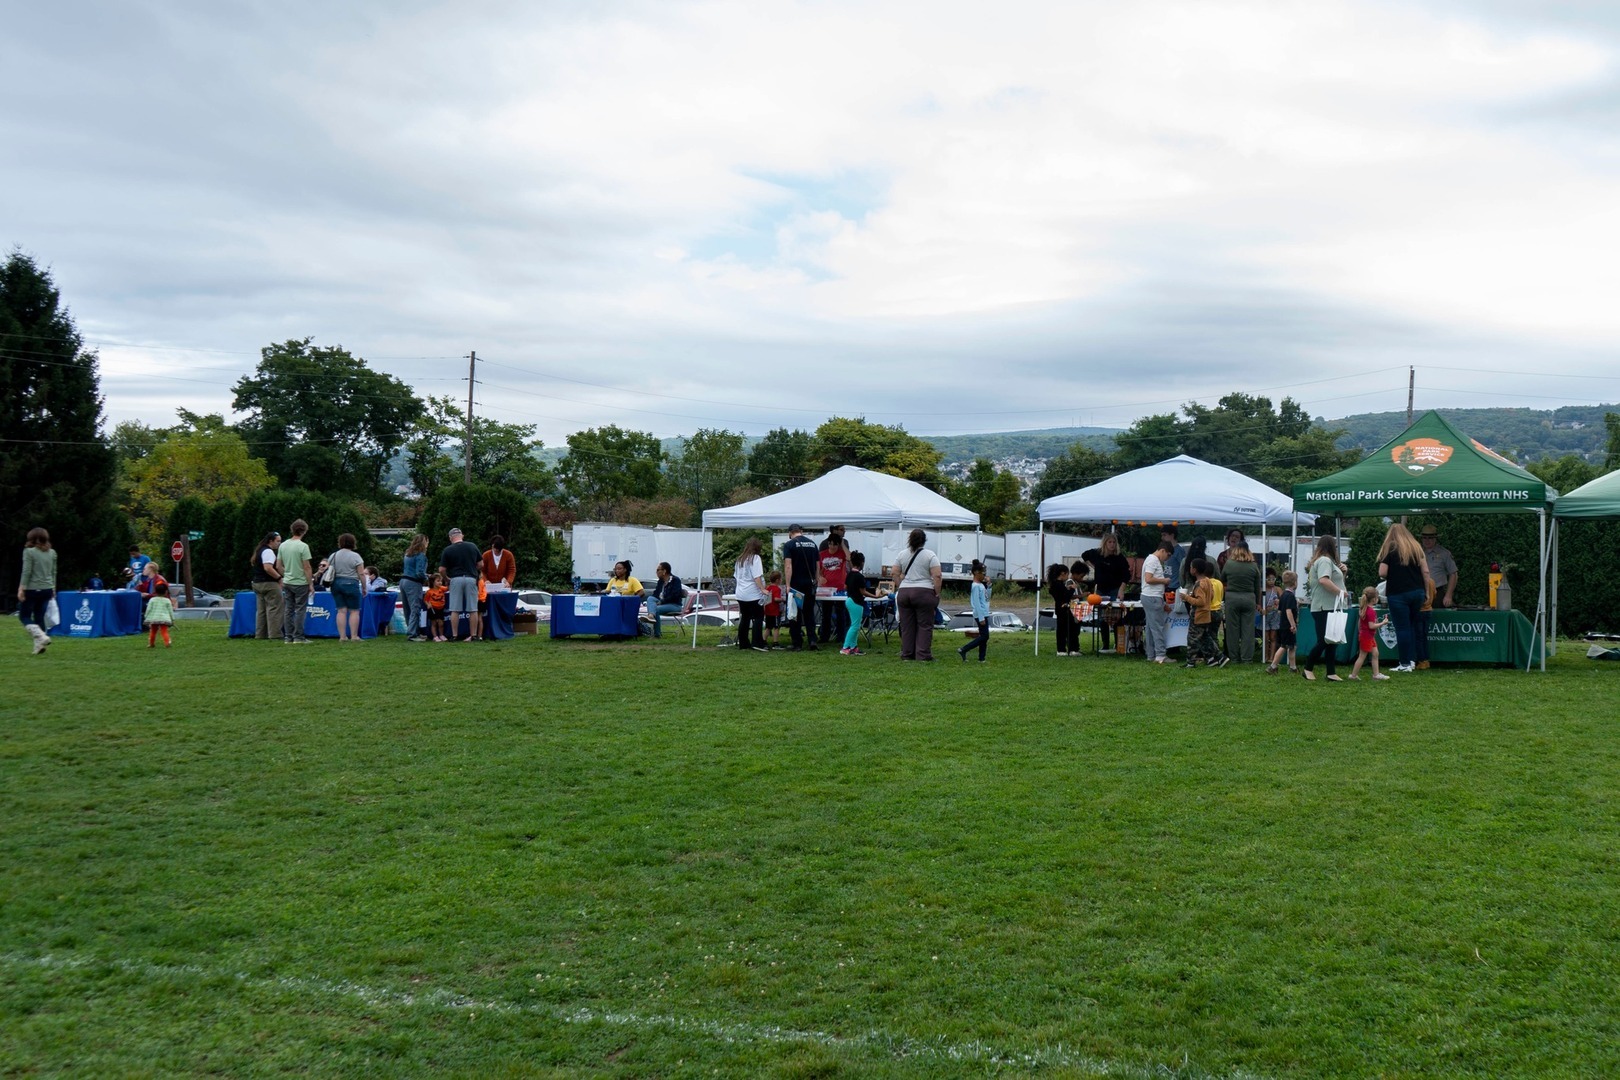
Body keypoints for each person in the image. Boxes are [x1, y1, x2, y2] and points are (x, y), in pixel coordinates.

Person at [1379, 523, 1431, 674]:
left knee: (1402, 628)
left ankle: (1405, 663)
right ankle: (1413, 660)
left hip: (1398, 593)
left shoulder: (1391, 550)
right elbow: (1426, 572)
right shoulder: (1417, 549)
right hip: (1417, 592)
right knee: (1413, 625)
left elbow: (1382, 572)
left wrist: (1395, 573)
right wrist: (1426, 592)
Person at [1302, 534, 1348, 682]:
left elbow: (1335, 581)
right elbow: (1324, 580)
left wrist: (1344, 572)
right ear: (1331, 547)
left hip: (1329, 607)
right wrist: (1340, 592)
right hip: (1323, 607)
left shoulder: (1328, 562)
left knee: (1332, 641)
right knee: (1324, 641)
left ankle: (1331, 672)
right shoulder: (1325, 561)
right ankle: (1307, 669)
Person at [891, 528, 942, 661]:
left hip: (904, 592)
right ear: (924, 540)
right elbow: (937, 576)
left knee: (907, 625)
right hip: (924, 592)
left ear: (910, 540)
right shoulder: (930, 555)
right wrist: (937, 592)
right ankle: (923, 654)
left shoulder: (902, 554)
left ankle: (907, 654)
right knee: (924, 625)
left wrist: (900, 585)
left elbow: (894, 572)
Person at [1082, 533, 1131, 651]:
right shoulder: (1097, 554)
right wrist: (1094, 566)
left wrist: (1121, 589)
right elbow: (1084, 555)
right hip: (1100, 589)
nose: (1112, 544)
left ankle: (1119, 644)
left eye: (1114, 542)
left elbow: (1126, 575)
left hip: (1115, 589)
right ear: (1105, 543)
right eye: (1109, 542)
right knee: (1102, 617)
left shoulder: (1119, 558)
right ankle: (1105, 644)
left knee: (1117, 617)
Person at [1218, 542, 1263, 663]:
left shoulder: (1229, 564)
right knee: (1248, 630)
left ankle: (1233, 657)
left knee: (1232, 630)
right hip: (1249, 598)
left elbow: (1222, 580)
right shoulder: (1253, 566)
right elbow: (1257, 587)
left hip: (1232, 598)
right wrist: (1258, 603)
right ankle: (1246, 658)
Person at [1179, 558, 1226, 667]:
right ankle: (1217, 657)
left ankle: (1190, 662)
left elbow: (1200, 601)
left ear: (1194, 570)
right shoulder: (1208, 582)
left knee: (1192, 638)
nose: (1190, 569)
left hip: (1198, 614)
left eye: (1191, 567)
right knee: (1205, 637)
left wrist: (1187, 597)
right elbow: (1211, 596)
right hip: (1206, 614)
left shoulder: (1199, 584)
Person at [439, 527, 484, 642]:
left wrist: (447, 579)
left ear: (450, 538)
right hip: (470, 578)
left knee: (455, 609)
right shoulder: (472, 546)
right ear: (462, 536)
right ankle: (473, 635)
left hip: (456, 578)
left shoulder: (447, 550)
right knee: (473, 609)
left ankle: (454, 635)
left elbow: (441, 570)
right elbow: (481, 564)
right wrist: (474, 570)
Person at [17, 527, 57, 656]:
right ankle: (39, 646)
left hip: (32, 588)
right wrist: (53, 588)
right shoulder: (52, 553)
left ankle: (40, 635)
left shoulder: (29, 552)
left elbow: (27, 571)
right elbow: (53, 572)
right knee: (39, 616)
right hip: (47, 589)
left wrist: (21, 588)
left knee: (24, 616)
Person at [321, 533, 366, 642]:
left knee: (341, 611)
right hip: (351, 583)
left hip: (336, 583)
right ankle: (354, 636)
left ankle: (342, 637)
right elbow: (361, 573)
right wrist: (364, 587)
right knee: (354, 611)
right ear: (353, 543)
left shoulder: (333, 555)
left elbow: (330, 569)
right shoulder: (355, 556)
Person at [781, 525, 820, 651]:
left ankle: (797, 642)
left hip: (795, 585)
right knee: (809, 614)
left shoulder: (789, 545)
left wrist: (787, 585)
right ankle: (812, 640)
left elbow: (788, 566)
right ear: (801, 532)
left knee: (794, 614)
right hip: (809, 584)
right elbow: (818, 566)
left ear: (790, 533)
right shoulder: (813, 544)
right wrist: (816, 580)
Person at [277, 519, 314, 644]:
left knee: (288, 609)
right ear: (304, 531)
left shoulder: (283, 545)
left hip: (287, 581)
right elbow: (307, 567)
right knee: (300, 610)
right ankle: (298, 637)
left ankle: (288, 636)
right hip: (300, 582)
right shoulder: (303, 546)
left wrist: (286, 575)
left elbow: (278, 565)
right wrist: (310, 583)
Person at [732, 537, 769, 652]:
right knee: (758, 617)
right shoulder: (755, 558)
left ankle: (743, 643)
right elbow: (756, 576)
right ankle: (757, 642)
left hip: (741, 593)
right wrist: (762, 589)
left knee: (745, 617)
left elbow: (736, 576)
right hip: (753, 593)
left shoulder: (740, 559)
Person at [1141, 538, 1175, 664]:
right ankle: (1160, 655)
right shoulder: (1152, 561)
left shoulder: (1151, 560)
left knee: (1150, 627)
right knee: (1157, 627)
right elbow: (1148, 579)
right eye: (1168, 555)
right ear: (1162, 550)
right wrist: (1164, 581)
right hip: (1152, 597)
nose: (1167, 558)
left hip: (1150, 596)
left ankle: (1151, 655)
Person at [1347, 586, 1391, 681]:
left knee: (1375, 653)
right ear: (1374, 599)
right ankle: (1353, 676)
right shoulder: (1371, 611)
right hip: (1367, 636)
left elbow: (1360, 623)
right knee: (1362, 656)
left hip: (1367, 636)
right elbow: (1371, 626)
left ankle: (1376, 674)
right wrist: (1383, 623)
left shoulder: (1363, 608)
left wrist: (1360, 632)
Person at [816, 525, 850, 645]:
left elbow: (849, 557)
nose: (832, 547)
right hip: (826, 588)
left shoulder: (841, 554)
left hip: (839, 587)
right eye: (830, 544)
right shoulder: (822, 554)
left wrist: (843, 544)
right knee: (826, 613)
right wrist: (819, 578)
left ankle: (841, 636)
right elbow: (818, 570)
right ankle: (824, 636)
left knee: (841, 613)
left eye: (835, 544)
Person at [249, 531, 284, 640]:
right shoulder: (268, 552)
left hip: (257, 583)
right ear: (271, 541)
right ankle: (275, 634)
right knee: (274, 609)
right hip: (269, 584)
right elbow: (268, 568)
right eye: (277, 541)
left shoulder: (259, 550)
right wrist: (279, 578)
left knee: (261, 611)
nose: (279, 543)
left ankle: (260, 634)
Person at [958, 559, 991, 663]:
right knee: (985, 636)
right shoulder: (975, 586)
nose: (984, 575)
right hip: (980, 614)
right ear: (976, 573)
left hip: (984, 612)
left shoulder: (981, 585)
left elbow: (987, 598)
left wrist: (989, 586)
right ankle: (964, 649)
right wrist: (981, 617)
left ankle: (982, 658)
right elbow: (976, 603)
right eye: (983, 573)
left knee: (984, 637)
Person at [841, 551, 874, 656]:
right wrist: (876, 596)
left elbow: (845, 587)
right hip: (856, 602)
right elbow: (863, 591)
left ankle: (853, 647)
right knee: (855, 626)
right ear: (862, 563)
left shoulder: (849, 574)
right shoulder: (859, 576)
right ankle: (845, 647)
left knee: (855, 625)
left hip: (849, 600)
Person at [1268, 571, 1299, 675]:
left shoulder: (1284, 595)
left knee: (1291, 646)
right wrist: (1293, 625)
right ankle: (1273, 666)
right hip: (1288, 626)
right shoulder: (1290, 596)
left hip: (1283, 625)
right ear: (1294, 583)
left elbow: (1280, 610)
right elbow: (1288, 611)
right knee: (1285, 646)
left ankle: (1293, 667)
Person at [400, 534, 429, 642]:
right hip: (413, 583)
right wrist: (427, 577)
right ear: (424, 542)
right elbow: (419, 572)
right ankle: (412, 634)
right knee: (415, 608)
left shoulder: (408, 554)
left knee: (407, 609)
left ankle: (413, 631)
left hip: (403, 581)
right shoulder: (421, 555)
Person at [1420, 525, 1458, 608]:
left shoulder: (1444, 553)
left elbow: (1453, 574)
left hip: (1438, 592)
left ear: (1435, 539)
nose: (1427, 540)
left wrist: (1448, 595)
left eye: (1430, 538)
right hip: (1420, 591)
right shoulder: (1417, 553)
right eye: (1424, 538)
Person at [1048, 563, 1080, 657]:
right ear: (1062, 573)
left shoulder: (1055, 584)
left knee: (1062, 630)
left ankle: (1063, 649)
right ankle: (1068, 649)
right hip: (1064, 609)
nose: (1067, 576)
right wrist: (1072, 589)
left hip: (1059, 609)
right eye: (1067, 574)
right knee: (1068, 630)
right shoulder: (1058, 585)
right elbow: (1065, 596)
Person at [647, 562, 684, 639]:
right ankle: (651, 615)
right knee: (650, 598)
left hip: (674, 605)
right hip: (663, 603)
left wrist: (661, 602)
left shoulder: (675, 580)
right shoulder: (660, 581)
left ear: (664, 571)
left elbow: (675, 595)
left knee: (656, 609)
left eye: (658, 570)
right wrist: (655, 601)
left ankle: (657, 635)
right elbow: (656, 594)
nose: (656, 572)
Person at [144, 582, 175, 648]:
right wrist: (172, 619)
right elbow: (170, 611)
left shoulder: (152, 600)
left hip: (154, 618)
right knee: (164, 631)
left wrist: (146, 616)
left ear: (155, 591)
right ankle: (167, 642)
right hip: (164, 619)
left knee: (153, 631)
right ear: (166, 592)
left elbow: (148, 609)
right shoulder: (167, 600)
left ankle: (151, 643)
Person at [1262, 567, 1281, 663]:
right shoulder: (1262, 590)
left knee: (1273, 637)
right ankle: (1265, 656)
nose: (1271, 581)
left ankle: (1272, 657)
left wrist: (1279, 602)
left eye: (1273, 579)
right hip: (1265, 616)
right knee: (1265, 637)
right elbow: (1258, 604)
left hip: (1274, 616)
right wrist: (1261, 610)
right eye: (1269, 579)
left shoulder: (1277, 589)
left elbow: (1283, 601)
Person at [425, 572, 449, 641]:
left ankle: (441, 635)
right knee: (434, 623)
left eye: (441, 581)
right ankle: (435, 636)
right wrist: (428, 604)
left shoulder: (442, 589)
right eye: (438, 581)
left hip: (440, 609)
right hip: (433, 609)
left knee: (441, 623)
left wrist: (448, 582)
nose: (440, 582)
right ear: (433, 582)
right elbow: (426, 600)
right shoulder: (429, 592)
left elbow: (448, 588)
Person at [764, 570, 785, 648]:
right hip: (775, 612)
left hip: (768, 610)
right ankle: (775, 642)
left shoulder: (768, 587)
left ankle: (764, 640)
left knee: (768, 627)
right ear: (777, 580)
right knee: (776, 627)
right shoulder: (777, 589)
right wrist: (782, 599)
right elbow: (776, 599)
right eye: (780, 579)